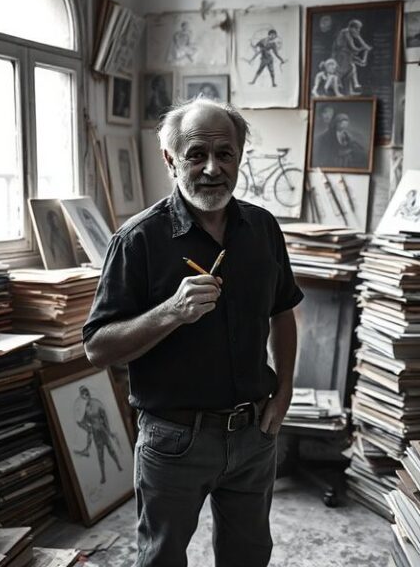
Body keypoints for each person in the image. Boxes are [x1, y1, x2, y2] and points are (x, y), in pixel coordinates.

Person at [83, 98, 302, 567]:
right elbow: (97, 348)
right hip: (174, 440)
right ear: (169, 159)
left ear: (240, 157)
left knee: (248, 556)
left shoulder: (262, 229)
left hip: (253, 433)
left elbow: (283, 311)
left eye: (224, 154)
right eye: (195, 154)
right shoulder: (138, 239)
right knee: (161, 558)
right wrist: (171, 312)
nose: (211, 169)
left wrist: (283, 393)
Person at [73, 385, 124, 484]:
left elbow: (105, 417)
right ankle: (103, 476)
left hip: (103, 430)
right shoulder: (86, 408)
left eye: (86, 392)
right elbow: (84, 420)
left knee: (111, 450)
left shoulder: (97, 403)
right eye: (83, 393)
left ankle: (119, 466)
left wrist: (108, 430)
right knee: (100, 455)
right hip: (96, 434)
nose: (86, 394)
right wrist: (81, 424)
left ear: (89, 392)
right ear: (82, 396)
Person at [332, 19, 372, 95]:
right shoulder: (345, 32)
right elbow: (352, 47)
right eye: (357, 29)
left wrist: (365, 47)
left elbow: (358, 41)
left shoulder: (350, 33)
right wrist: (361, 49)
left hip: (348, 55)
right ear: (351, 27)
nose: (358, 31)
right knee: (347, 69)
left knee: (352, 70)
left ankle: (350, 90)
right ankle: (339, 85)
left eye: (359, 29)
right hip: (341, 55)